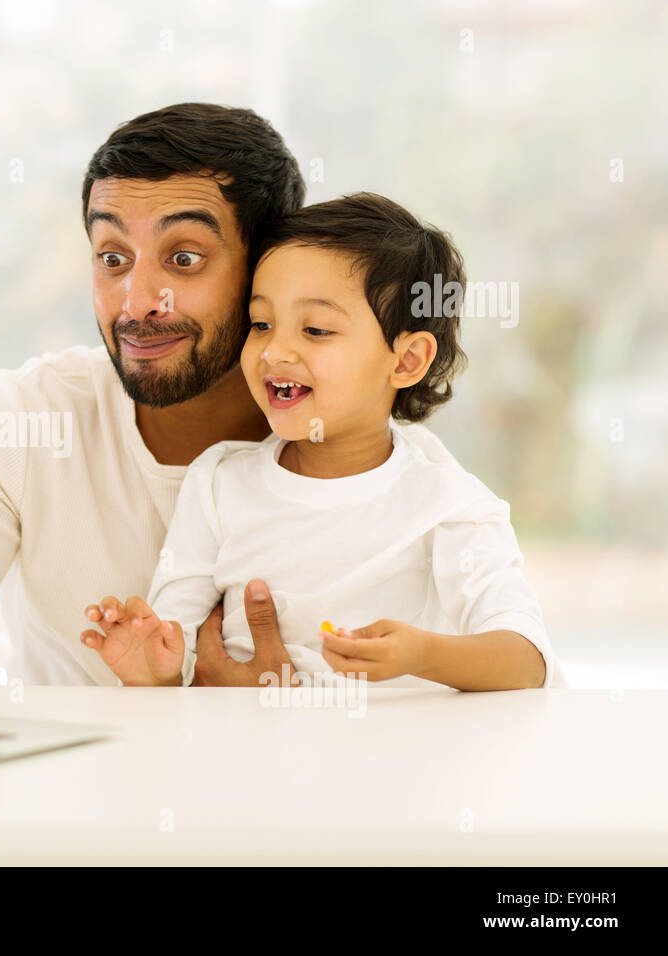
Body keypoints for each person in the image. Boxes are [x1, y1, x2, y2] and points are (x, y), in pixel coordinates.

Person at [0, 103, 460, 686]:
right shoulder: (23, 422)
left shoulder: (384, 470)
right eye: (112, 258)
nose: (137, 302)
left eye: (184, 259)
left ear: (266, 269)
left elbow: (515, 692)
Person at [81, 193, 558, 690]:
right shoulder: (219, 482)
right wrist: (153, 670)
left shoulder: (447, 504)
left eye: (315, 329)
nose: (275, 350)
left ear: (407, 360)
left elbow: (525, 659)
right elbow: (173, 641)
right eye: (261, 324)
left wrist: (422, 653)